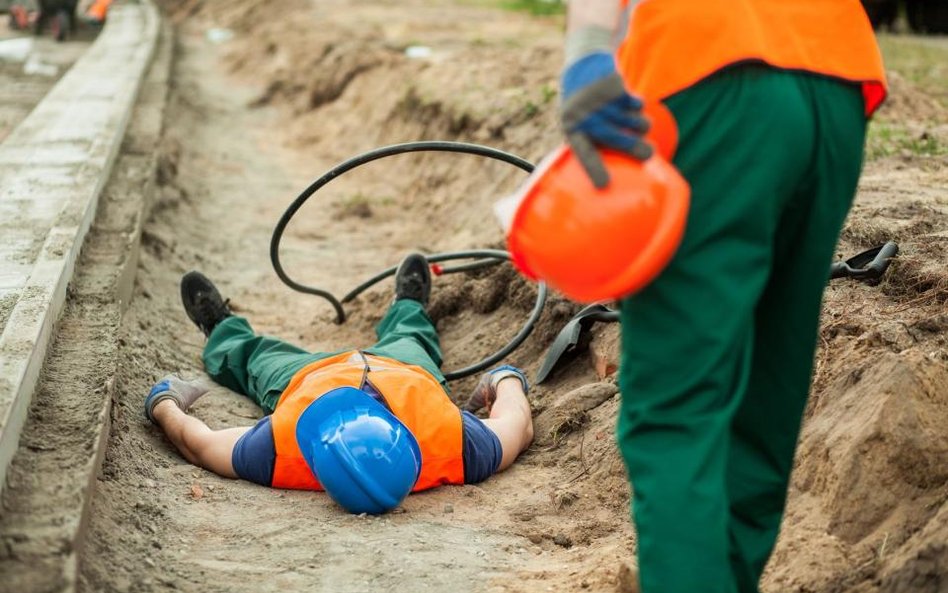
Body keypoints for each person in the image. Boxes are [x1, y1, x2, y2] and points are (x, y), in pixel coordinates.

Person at [559, 2, 887, 592]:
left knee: (677, 415)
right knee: (764, 404)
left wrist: (586, 49)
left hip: (704, 69)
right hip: (835, 70)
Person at [145, 253, 534, 514]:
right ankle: (408, 305)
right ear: (403, 436)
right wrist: (506, 380)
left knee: (255, 358)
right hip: (406, 370)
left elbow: (198, 445)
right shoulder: (454, 443)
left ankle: (221, 329)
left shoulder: (282, 450)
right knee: (412, 336)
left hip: (307, 377)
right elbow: (518, 425)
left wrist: (164, 403)